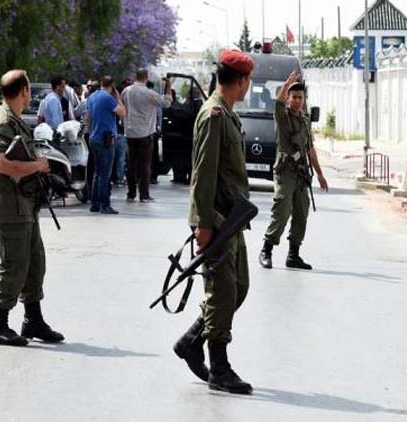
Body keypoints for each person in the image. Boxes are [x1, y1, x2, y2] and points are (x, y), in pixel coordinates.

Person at [174, 49, 254, 395]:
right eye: (248, 80)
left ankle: (192, 340)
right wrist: (202, 224)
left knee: (238, 288)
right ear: (241, 81)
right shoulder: (213, 115)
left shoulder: (228, 115)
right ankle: (219, 367)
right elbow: (202, 174)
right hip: (217, 221)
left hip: (232, 220)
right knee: (221, 292)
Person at [0, 69, 64, 347]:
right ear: (25, 91)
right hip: (9, 205)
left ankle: (33, 319)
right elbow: (2, 164)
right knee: (14, 265)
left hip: (24, 203)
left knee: (34, 262)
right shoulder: (2, 121)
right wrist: (38, 165)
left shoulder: (15, 119)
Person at [258, 73, 328, 270]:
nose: (297, 100)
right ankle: (267, 249)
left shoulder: (305, 121)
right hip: (285, 172)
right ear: (289, 98)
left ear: (304, 99)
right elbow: (278, 104)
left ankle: (293, 254)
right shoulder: (283, 117)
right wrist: (286, 84)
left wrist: (320, 174)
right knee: (282, 210)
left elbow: (310, 149)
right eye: (293, 97)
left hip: (300, 173)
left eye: (300, 97)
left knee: (301, 212)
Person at [122, 69, 170, 202]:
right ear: (146, 78)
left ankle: (131, 193)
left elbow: (122, 104)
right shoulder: (149, 93)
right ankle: (144, 194)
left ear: (136, 77)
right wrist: (169, 87)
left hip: (130, 133)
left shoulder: (126, 91)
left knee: (131, 165)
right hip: (145, 134)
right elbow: (166, 103)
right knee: (144, 165)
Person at [86, 76, 125, 214]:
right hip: (106, 140)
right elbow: (122, 112)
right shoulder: (109, 98)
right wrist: (118, 96)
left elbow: (88, 117)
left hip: (94, 138)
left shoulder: (92, 96)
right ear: (112, 85)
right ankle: (104, 204)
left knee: (97, 172)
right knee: (105, 174)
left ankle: (94, 203)